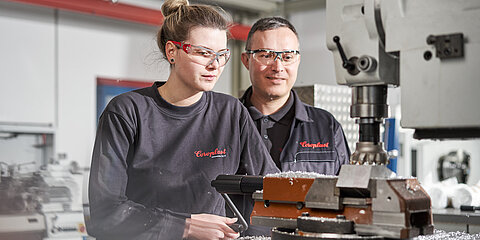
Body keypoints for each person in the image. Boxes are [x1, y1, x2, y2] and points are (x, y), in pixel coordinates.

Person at [87, 1, 279, 239]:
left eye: (221, 55)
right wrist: (184, 226)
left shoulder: (231, 112)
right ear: (172, 52)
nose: (215, 65)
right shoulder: (127, 112)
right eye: (203, 53)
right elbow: (106, 213)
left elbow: (272, 186)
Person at [232, 16, 351, 236]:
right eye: (266, 55)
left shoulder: (327, 127)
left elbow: (349, 201)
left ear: (297, 61)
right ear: (246, 60)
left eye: (287, 57)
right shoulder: (224, 125)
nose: (278, 66)